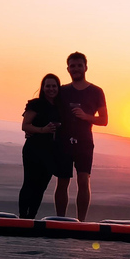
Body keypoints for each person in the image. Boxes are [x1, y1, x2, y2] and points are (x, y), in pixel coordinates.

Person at [54, 52, 108, 221]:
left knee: (83, 181)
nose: (76, 69)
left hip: (84, 142)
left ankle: (81, 222)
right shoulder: (62, 90)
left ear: (86, 67)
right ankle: (60, 221)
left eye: (79, 65)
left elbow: (104, 120)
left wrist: (86, 116)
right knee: (62, 181)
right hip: (63, 141)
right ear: (68, 69)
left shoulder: (97, 91)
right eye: (73, 66)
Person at [19, 73, 61, 219]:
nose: (51, 89)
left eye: (54, 86)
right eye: (48, 86)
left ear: (58, 88)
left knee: (41, 186)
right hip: (34, 149)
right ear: (43, 87)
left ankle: (31, 217)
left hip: (51, 151)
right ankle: (23, 217)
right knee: (29, 183)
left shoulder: (60, 106)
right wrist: (42, 130)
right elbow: (25, 125)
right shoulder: (35, 104)